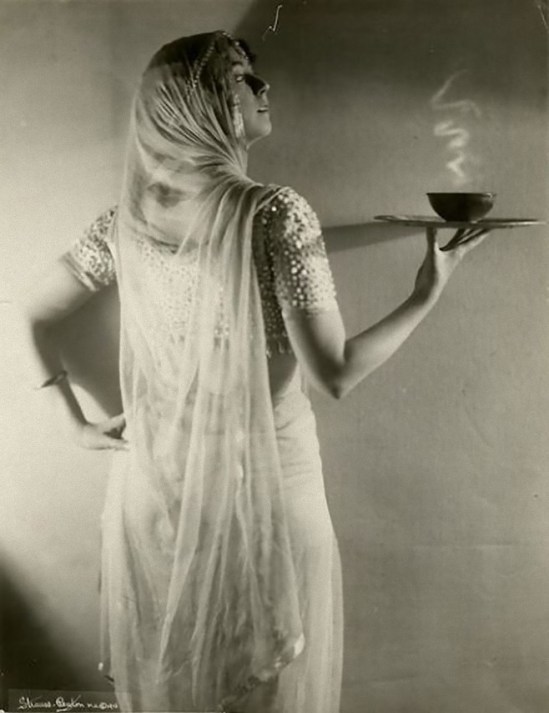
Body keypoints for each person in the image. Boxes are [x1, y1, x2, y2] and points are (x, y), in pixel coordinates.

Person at [17, 30, 489, 713]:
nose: (263, 88)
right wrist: (425, 293)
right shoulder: (275, 212)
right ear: (204, 103)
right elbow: (335, 374)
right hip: (264, 495)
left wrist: (75, 424)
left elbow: (32, 312)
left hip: (156, 496)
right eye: (243, 77)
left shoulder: (125, 223)